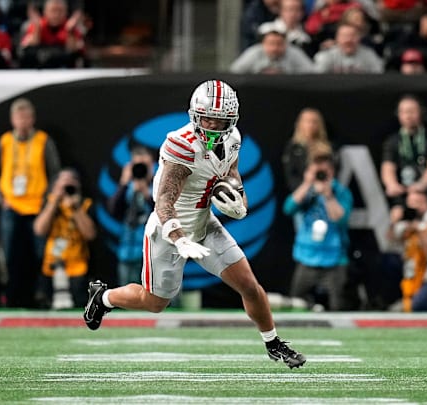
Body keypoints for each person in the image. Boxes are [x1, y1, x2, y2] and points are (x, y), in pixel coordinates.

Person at [83, 80, 306, 369]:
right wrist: (178, 238)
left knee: (249, 286)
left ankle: (274, 343)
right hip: (167, 230)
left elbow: (232, 173)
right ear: (194, 115)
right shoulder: (181, 145)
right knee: (155, 302)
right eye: (207, 118)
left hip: (204, 223)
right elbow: (163, 200)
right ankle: (104, 297)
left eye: (220, 119)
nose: (213, 125)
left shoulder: (232, 138)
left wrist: (237, 195)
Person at [0, 97, 61, 307]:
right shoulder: (5, 142)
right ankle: (10, 296)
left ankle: (40, 295)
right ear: (12, 120)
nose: (23, 122)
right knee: (9, 254)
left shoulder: (44, 141)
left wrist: (48, 199)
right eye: (19, 117)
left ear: (33, 119)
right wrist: (1, 200)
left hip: (37, 206)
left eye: (27, 117)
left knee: (40, 254)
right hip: (11, 206)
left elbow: (54, 173)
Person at [283, 142, 353, 311]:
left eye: (325, 170)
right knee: (296, 304)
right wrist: (307, 183)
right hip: (307, 256)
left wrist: (328, 196)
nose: (321, 174)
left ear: (332, 171)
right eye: (317, 170)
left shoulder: (341, 192)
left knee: (338, 307)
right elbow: (288, 208)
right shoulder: (306, 190)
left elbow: (341, 219)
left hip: (335, 258)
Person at [33, 168, 96, 309]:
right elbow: (39, 229)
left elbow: (90, 234)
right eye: (64, 183)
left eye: (71, 182)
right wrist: (54, 202)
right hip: (52, 264)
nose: (67, 186)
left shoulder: (85, 205)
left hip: (78, 266)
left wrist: (76, 208)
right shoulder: (49, 203)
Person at [381, 94, 427, 214]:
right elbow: (387, 167)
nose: (408, 116)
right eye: (404, 112)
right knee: (396, 220)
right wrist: (392, 184)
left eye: (412, 111)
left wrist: (421, 185)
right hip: (402, 198)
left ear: (421, 113)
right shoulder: (392, 141)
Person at [107, 146, 156, 286]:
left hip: (153, 253)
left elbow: (165, 213)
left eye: (144, 165)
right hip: (128, 250)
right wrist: (123, 183)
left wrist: (147, 195)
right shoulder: (126, 189)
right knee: (128, 297)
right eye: (137, 165)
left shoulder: (160, 186)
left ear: (152, 165)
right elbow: (113, 211)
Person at [19, 0, 86, 68]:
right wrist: (37, 29)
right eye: (53, 10)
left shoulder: (70, 27)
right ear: (45, 12)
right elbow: (29, 46)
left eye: (60, 11)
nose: (56, 15)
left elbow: (74, 51)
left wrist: (70, 31)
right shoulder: (38, 25)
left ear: (66, 12)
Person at [230, 21, 315, 74]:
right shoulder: (253, 53)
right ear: (263, 43)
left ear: (285, 44)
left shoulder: (295, 53)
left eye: (279, 44)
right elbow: (235, 73)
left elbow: (311, 74)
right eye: (271, 43)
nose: (275, 48)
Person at [281, 107, 330, 191]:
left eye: (314, 122)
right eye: (307, 121)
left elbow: (332, 172)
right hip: (301, 192)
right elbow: (290, 175)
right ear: (300, 124)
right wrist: (305, 189)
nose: (310, 125)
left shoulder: (327, 148)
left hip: (325, 190)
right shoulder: (292, 148)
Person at [314, 23, 384, 73]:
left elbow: (379, 76)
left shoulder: (369, 54)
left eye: (352, 36)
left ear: (359, 38)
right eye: (344, 36)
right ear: (337, 38)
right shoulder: (326, 55)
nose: (348, 40)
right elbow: (317, 78)